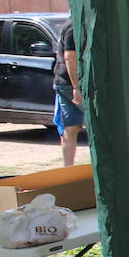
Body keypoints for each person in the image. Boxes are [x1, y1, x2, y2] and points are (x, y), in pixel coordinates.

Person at [53, 21, 83, 166]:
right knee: (72, 128)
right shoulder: (73, 25)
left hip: (67, 83)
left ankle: (68, 168)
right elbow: (70, 56)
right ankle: (68, 171)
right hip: (69, 85)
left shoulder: (71, 24)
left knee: (70, 129)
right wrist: (76, 87)